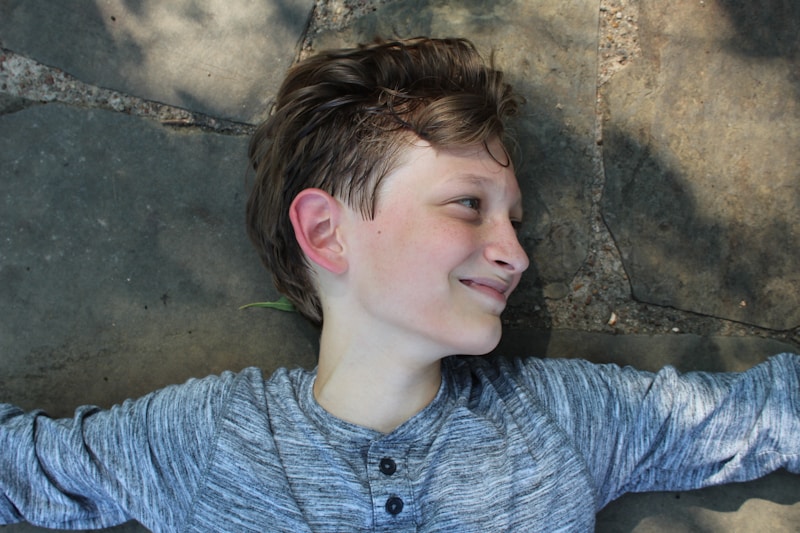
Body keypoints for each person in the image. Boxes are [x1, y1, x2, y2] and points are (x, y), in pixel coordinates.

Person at [1, 37, 798, 532]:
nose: (516, 254)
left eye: (514, 220)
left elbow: (761, 416)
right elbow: (26, 468)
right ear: (326, 232)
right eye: (469, 205)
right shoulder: (209, 440)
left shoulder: (557, 419)